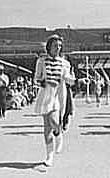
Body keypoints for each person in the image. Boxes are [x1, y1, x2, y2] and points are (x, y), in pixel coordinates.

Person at [34, 34, 75, 167]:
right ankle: (49, 156)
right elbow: (36, 78)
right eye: (55, 45)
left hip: (57, 95)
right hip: (45, 95)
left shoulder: (64, 63)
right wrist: (42, 82)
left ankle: (58, 133)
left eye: (59, 46)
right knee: (46, 128)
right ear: (49, 47)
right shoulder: (41, 61)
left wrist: (77, 80)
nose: (58, 48)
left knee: (54, 121)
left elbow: (67, 78)